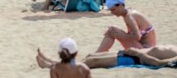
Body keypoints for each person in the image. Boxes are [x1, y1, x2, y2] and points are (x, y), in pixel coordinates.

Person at [38, 45, 177, 70]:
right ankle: (55, 62)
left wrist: (139, 54)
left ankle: (52, 65)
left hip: (135, 59)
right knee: (90, 56)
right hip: (133, 53)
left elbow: (159, 63)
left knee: (92, 62)